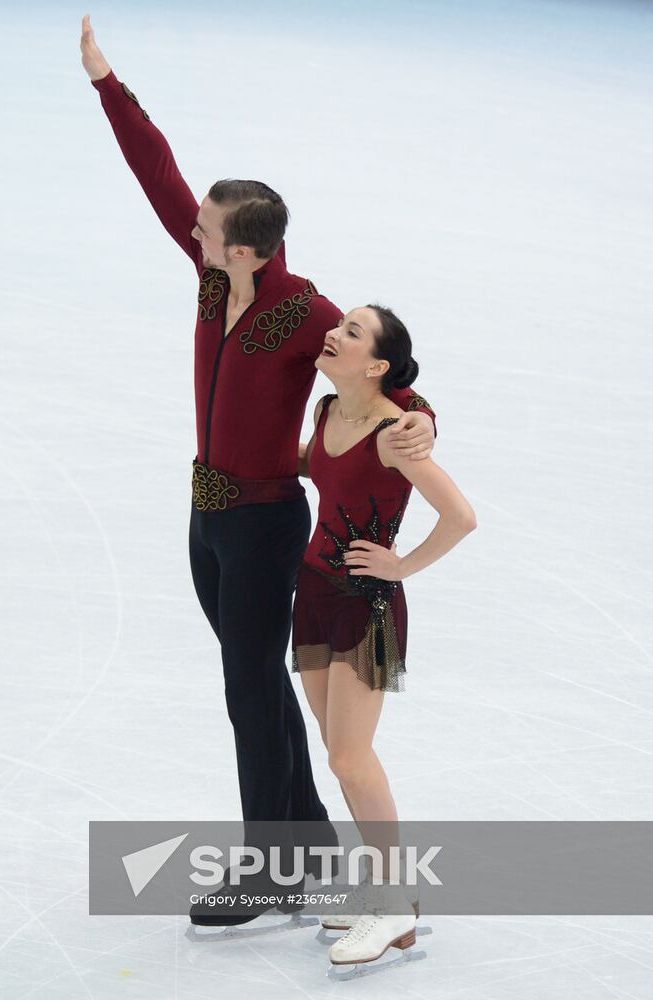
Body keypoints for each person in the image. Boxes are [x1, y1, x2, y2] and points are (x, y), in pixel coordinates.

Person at [80, 16, 439, 927]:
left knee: (248, 689)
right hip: (206, 518)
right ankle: (306, 839)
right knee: (256, 680)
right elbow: (158, 178)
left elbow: (383, 373)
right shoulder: (214, 280)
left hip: (265, 524)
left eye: (206, 230)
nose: (192, 232)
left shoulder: (304, 311)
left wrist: (421, 420)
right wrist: (109, 86)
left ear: (247, 248)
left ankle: (274, 866)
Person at [293, 304, 476, 968]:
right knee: (339, 751)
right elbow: (313, 466)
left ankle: (394, 900)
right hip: (314, 595)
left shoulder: (395, 433)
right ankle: (383, 891)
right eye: (339, 323)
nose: (333, 333)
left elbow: (460, 516)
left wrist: (401, 565)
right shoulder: (327, 412)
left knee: (350, 758)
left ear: (376, 366)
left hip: (365, 606)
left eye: (351, 331)